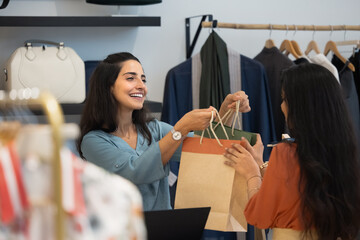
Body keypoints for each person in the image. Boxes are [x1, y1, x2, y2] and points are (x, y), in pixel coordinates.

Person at [76, 52, 251, 211]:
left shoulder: (155, 129)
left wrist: (226, 112)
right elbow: (135, 171)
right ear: (108, 87)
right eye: (131, 78)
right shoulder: (93, 141)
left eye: (143, 79)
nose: (141, 86)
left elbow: (206, 149)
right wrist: (181, 129)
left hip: (163, 230)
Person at [224, 63, 360, 240]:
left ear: (300, 107)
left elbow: (259, 216)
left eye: (285, 99)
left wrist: (251, 173)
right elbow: (295, 191)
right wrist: (259, 164)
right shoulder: (342, 153)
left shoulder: (286, 153)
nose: (282, 106)